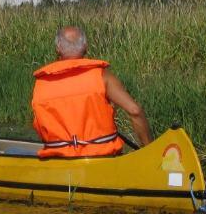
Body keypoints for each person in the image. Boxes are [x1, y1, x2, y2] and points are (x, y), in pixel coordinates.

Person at [31, 26, 151, 158]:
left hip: (59, 161)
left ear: (58, 49)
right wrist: (149, 151)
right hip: (102, 159)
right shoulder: (102, 76)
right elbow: (135, 111)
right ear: (85, 47)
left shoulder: (41, 83)